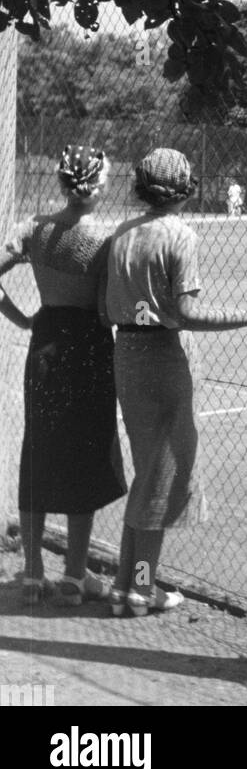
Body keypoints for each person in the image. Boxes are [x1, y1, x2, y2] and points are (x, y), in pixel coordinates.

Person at [105, 148, 247, 618]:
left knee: (149, 476)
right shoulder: (179, 235)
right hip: (164, 361)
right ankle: (142, 589)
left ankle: (126, 586)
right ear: (183, 189)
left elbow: (108, 307)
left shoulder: (122, 234)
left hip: (126, 356)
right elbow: (185, 314)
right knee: (160, 482)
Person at [0, 145, 126, 606]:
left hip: (46, 340)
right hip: (90, 347)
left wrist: (20, 317)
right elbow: (107, 307)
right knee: (87, 453)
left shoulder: (35, 229)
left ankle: (33, 572)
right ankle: (74, 576)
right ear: (99, 185)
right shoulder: (106, 240)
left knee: (39, 449)